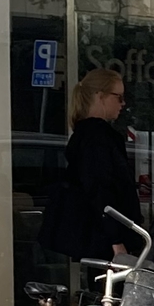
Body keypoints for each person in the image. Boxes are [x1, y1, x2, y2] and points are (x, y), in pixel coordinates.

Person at [39, 67, 140, 288]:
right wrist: (117, 242)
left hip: (98, 235)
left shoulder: (84, 135)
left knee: (99, 295)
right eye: (119, 97)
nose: (123, 104)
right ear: (100, 96)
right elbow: (101, 190)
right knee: (110, 300)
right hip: (106, 239)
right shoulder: (99, 138)